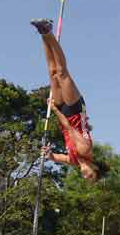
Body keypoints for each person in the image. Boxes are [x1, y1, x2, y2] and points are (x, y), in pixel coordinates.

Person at [31, 18, 108, 181]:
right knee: (61, 73)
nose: (85, 176)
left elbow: (56, 157)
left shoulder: (74, 161)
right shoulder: (85, 150)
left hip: (63, 116)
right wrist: (54, 109)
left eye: (87, 179)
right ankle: (49, 31)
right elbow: (69, 127)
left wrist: (49, 155)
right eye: (90, 175)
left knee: (52, 73)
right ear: (95, 167)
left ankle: (42, 33)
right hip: (74, 112)